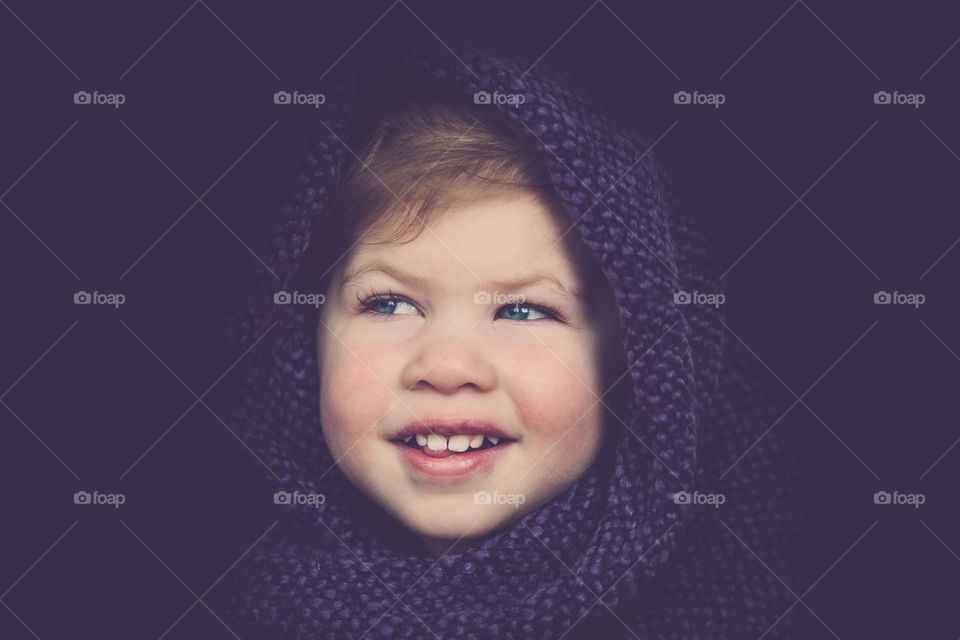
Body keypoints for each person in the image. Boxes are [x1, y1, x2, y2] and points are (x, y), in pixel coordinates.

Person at [214, 38, 815, 639]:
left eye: (524, 311)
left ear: (632, 363)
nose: (447, 367)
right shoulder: (221, 595)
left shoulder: (745, 601)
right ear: (305, 342)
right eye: (390, 303)